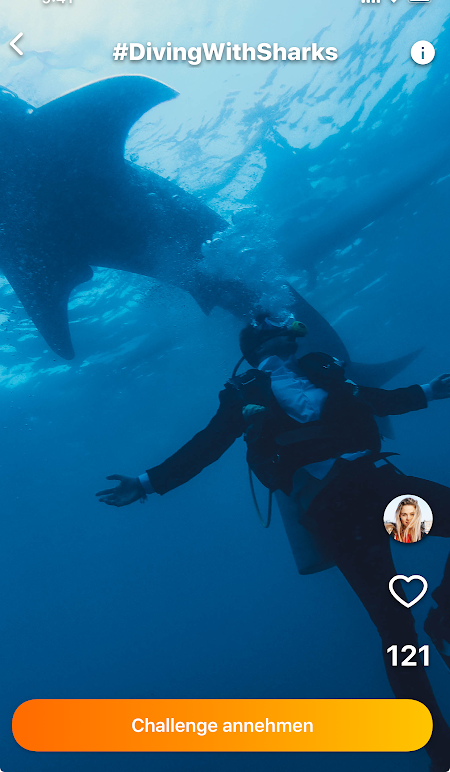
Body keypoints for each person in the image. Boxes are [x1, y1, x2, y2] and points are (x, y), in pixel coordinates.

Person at [96, 316, 450, 770]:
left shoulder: (326, 372)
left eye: (290, 333)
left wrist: (432, 389)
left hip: (380, 485)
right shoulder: (242, 393)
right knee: (395, 628)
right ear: (258, 346)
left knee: (397, 627)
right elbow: (208, 444)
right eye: (279, 332)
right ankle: (439, 749)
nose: (289, 337)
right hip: (332, 507)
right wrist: (147, 482)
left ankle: (444, 617)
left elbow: (378, 400)